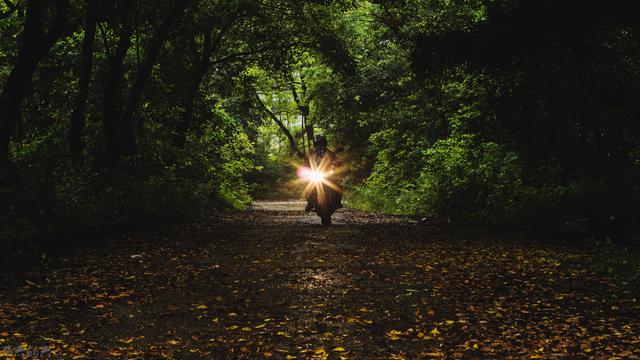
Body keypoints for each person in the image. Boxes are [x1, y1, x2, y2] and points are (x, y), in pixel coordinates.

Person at [304, 135, 343, 212]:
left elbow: (337, 160)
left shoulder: (329, 152)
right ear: (315, 144)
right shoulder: (311, 153)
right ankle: (310, 203)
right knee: (308, 186)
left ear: (324, 143)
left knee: (337, 185)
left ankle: (337, 201)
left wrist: (337, 162)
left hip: (327, 174)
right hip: (314, 173)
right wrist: (305, 169)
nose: (320, 145)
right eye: (318, 144)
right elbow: (306, 163)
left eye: (321, 143)